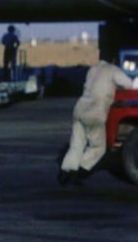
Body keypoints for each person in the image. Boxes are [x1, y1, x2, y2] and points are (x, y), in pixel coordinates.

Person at [58, 55, 137, 186]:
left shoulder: (93, 69)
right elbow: (128, 84)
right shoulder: (113, 70)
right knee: (98, 148)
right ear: (113, 60)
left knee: (76, 144)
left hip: (80, 108)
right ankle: (81, 171)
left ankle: (65, 173)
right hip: (95, 112)